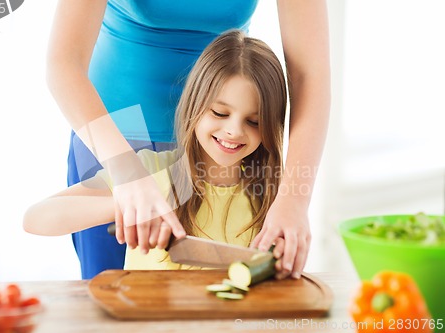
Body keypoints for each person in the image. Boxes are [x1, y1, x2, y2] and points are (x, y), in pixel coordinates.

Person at [46, 0, 330, 279]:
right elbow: (64, 62)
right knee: (106, 300)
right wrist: (127, 175)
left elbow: (309, 74)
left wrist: (294, 199)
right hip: (113, 137)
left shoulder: (246, 164)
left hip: (216, 146)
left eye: (255, 121)